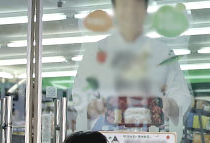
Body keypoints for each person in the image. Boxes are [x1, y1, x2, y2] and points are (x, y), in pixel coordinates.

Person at [72, 0, 192, 131]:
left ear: (145, 11)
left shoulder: (163, 53)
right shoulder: (96, 51)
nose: (130, 12)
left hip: (152, 138)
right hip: (108, 138)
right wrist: (98, 107)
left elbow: (180, 94)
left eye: (136, 6)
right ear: (115, 10)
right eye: (124, 5)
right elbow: (81, 97)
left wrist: (170, 105)